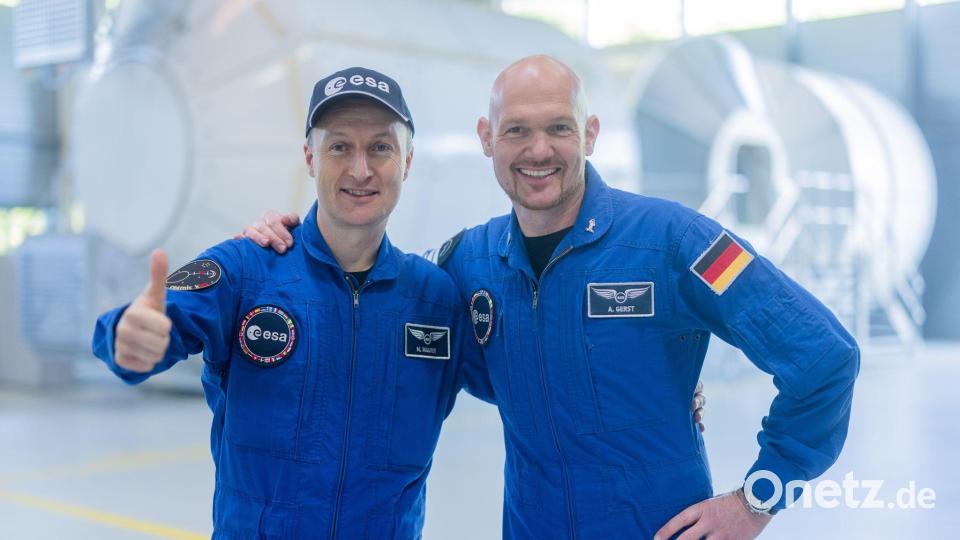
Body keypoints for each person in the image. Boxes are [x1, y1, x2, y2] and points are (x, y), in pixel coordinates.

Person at [247, 56, 857, 539]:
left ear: (589, 133)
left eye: (558, 128)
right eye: (517, 130)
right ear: (488, 139)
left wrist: (758, 499)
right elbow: (393, 311)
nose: (538, 150)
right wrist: (289, 239)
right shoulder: (467, 262)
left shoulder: (678, 241)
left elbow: (824, 354)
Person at [92, 67, 493, 539]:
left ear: (406, 162)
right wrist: (126, 335)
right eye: (339, 146)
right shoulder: (245, 268)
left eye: (381, 147)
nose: (360, 169)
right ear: (310, 158)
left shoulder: (436, 300)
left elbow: (521, 385)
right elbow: (156, 323)